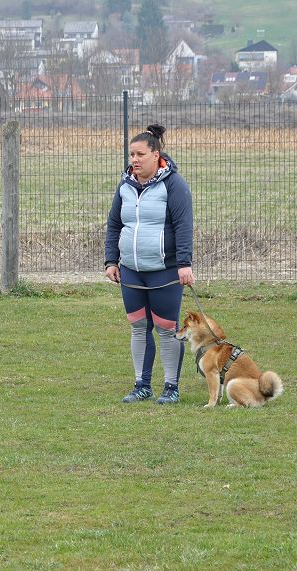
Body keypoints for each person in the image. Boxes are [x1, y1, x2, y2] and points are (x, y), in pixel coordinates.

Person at [104, 123, 194, 405]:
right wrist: (111, 260)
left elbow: (184, 226)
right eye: (132, 154)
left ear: (156, 155)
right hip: (131, 271)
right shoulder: (125, 185)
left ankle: (171, 387)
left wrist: (184, 263)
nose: (134, 159)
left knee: (167, 329)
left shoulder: (174, 185)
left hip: (165, 272)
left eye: (140, 154)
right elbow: (114, 224)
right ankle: (141, 385)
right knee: (138, 326)